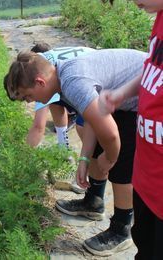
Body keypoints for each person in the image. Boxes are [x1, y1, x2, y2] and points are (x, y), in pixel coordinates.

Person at [4, 48, 146, 256]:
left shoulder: (72, 82)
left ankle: (121, 229)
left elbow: (111, 134)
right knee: (99, 150)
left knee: (121, 166)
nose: (30, 102)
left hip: (147, 95)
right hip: (124, 99)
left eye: (29, 96)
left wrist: (110, 156)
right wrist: (85, 158)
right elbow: (92, 120)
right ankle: (94, 202)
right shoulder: (62, 76)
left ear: (40, 82)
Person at [98, 1, 163, 259]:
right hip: (147, 177)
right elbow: (152, 69)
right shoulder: (159, 18)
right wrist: (121, 93)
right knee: (145, 247)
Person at [27, 43, 95, 148]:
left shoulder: (42, 76)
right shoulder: (45, 62)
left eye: (26, 96)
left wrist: (23, 155)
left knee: (83, 126)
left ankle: (92, 160)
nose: (28, 100)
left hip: (96, 75)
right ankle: (63, 147)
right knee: (54, 101)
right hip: (90, 65)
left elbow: (38, 127)